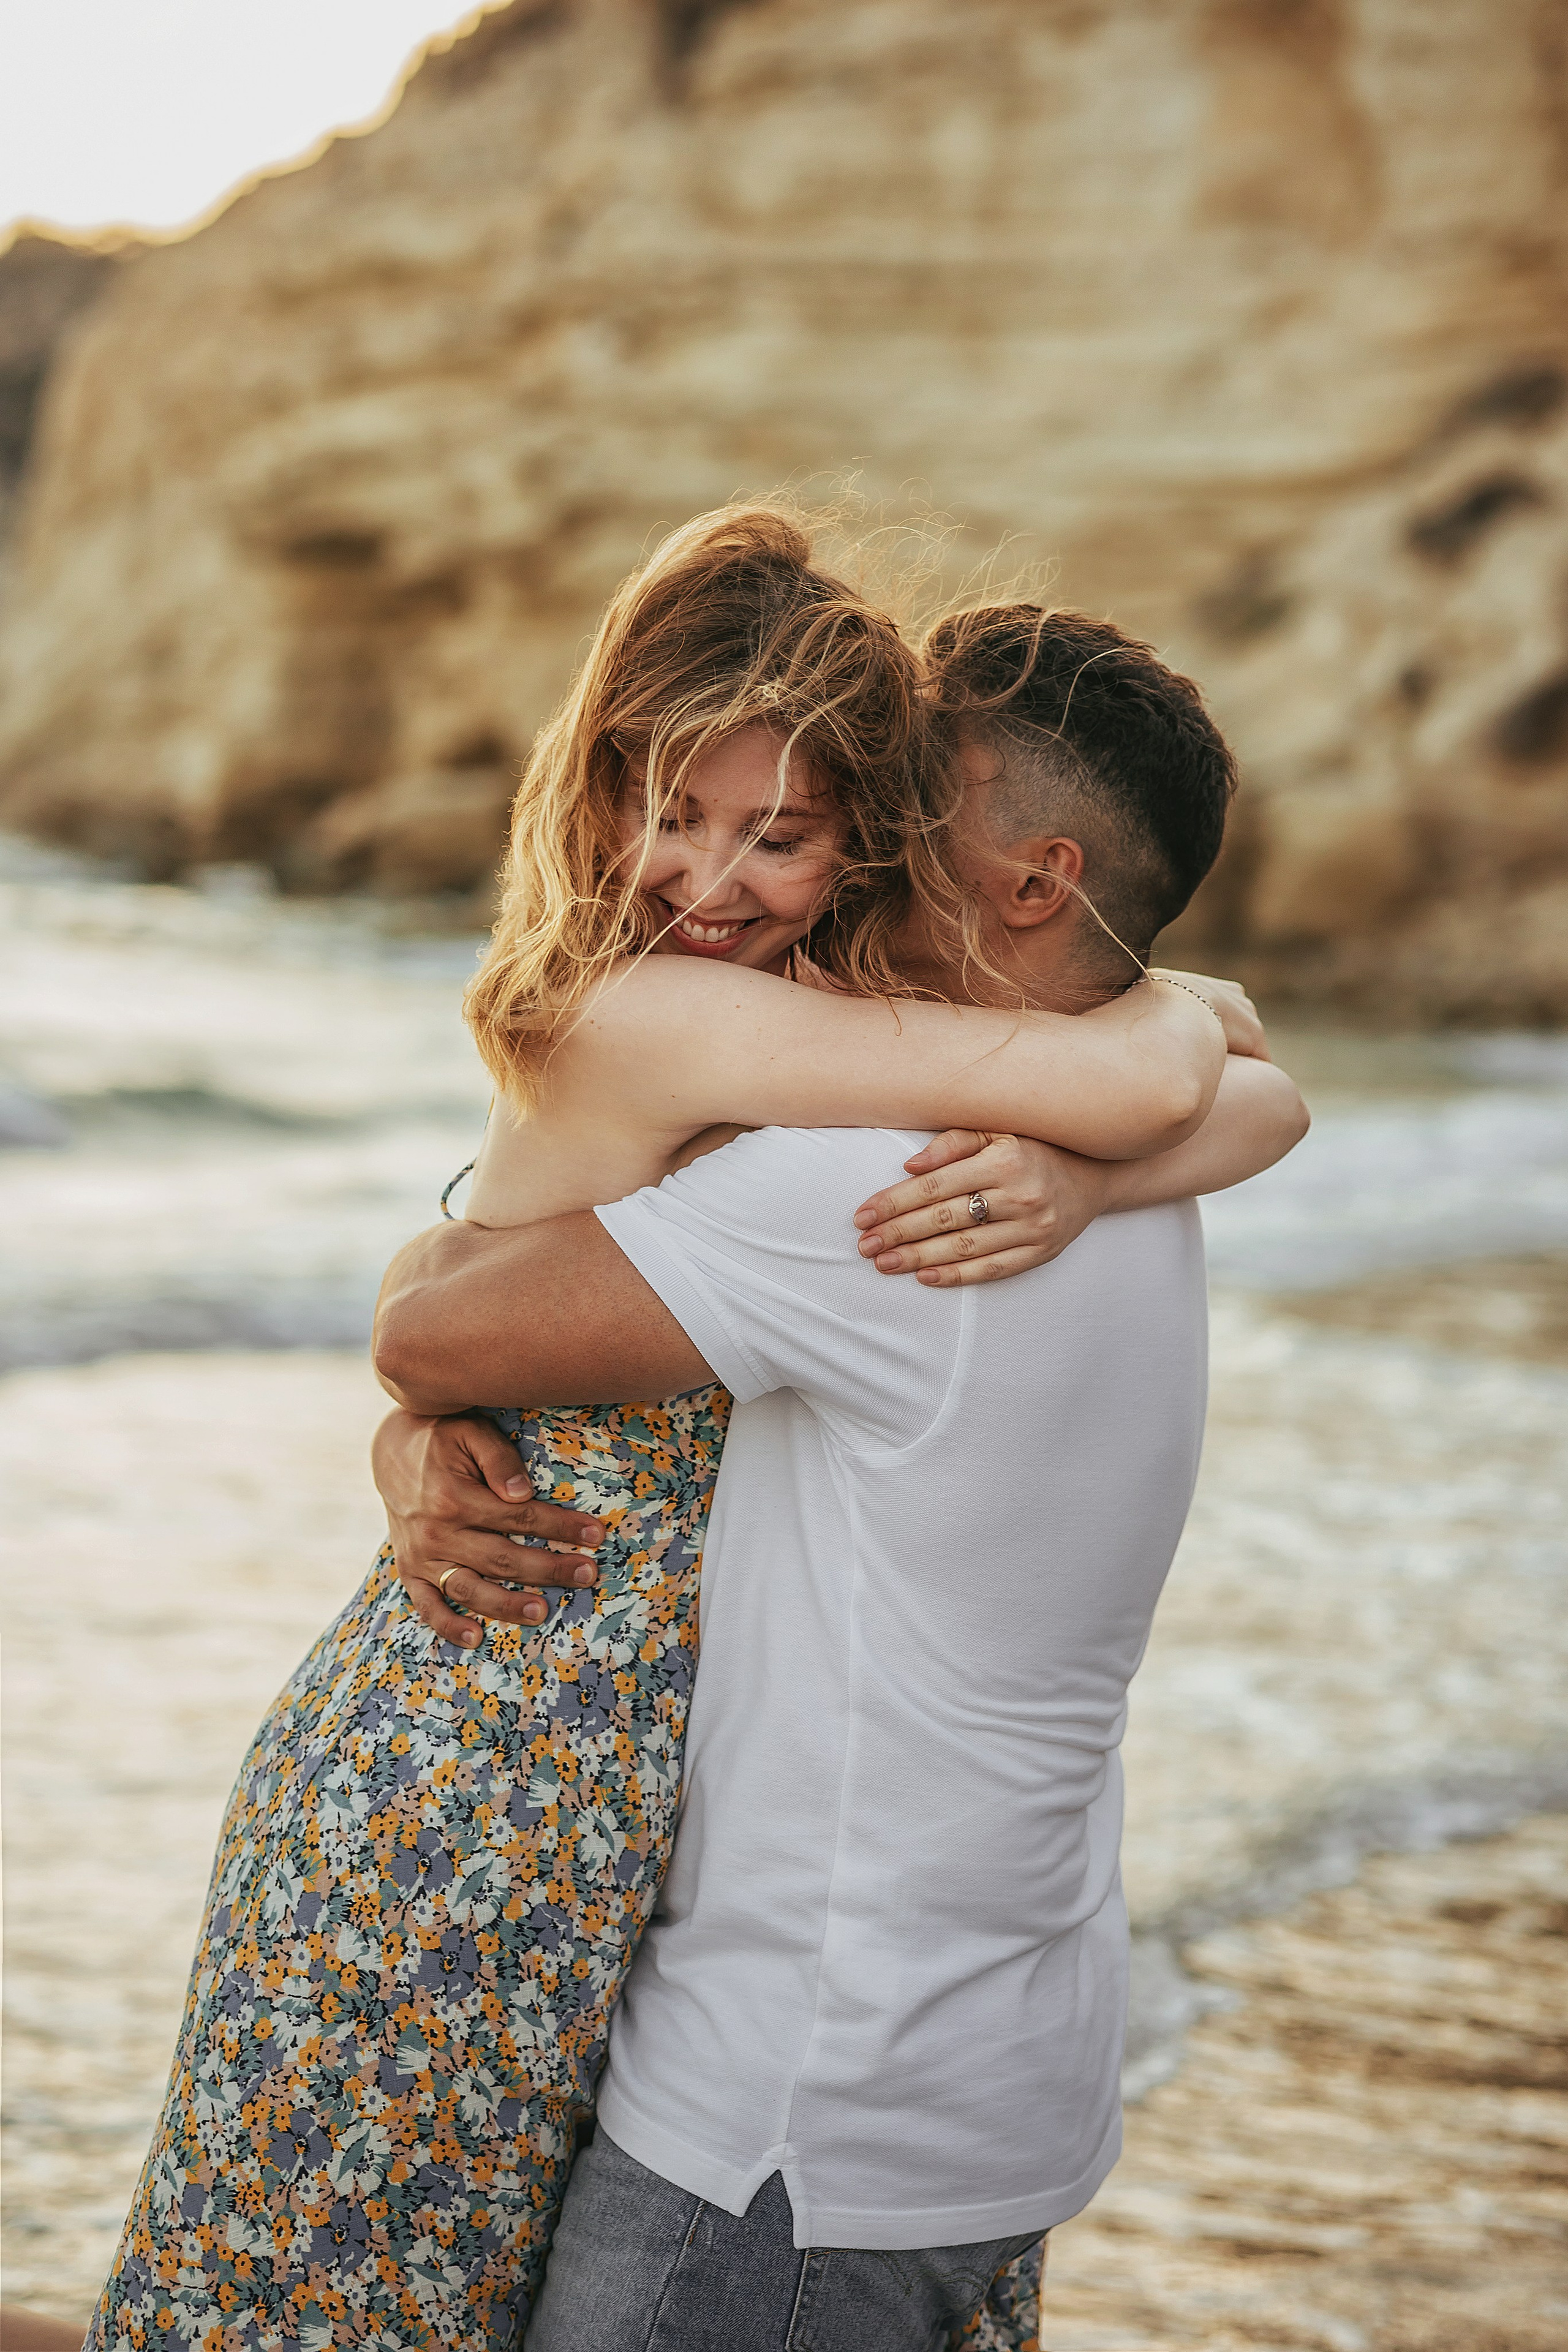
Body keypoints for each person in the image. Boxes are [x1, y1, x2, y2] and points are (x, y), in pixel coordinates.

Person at [83, 507, 1266, 2352]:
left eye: (808, 828)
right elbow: (425, 1326)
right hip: (487, 1774)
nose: (733, 873)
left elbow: (1205, 1057)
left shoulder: (860, 1096)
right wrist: (1135, 1114)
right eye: (679, 812)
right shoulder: (783, 1083)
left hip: (634, 1840)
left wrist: (1109, 1145)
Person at [371, 600, 1310, 2351]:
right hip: (1007, 2081)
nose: (860, 839)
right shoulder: (1120, 1156)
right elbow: (1242, 1061)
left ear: (1035, 879)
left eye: (899, 804)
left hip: (794, 2118)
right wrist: (1120, 1154)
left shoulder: (875, 1189)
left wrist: (417, 1404)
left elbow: (434, 1327)